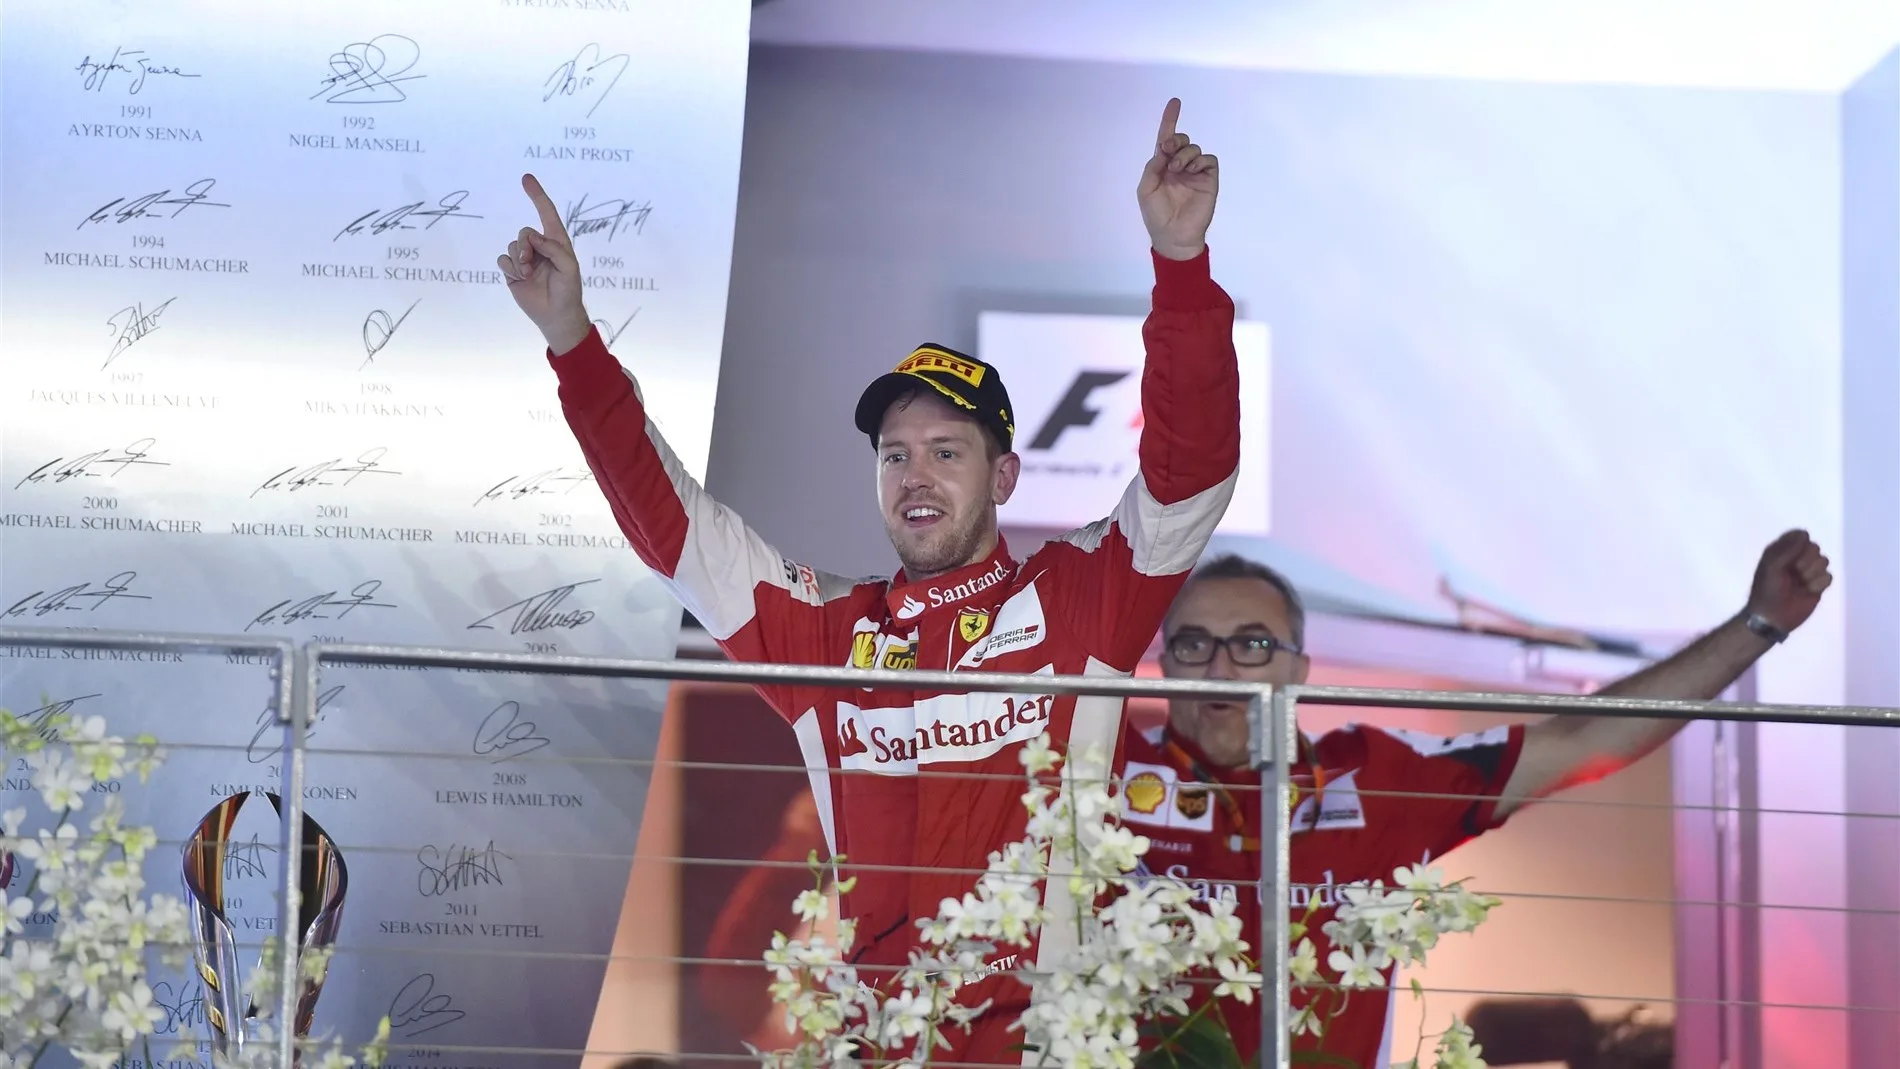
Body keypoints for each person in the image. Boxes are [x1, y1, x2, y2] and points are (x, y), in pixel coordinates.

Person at [498, 98, 1241, 1062]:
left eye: (946, 451)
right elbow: (673, 529)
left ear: (1004, 476)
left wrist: (1180, 267)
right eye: (894, 455)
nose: (915, 476)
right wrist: (572, 342)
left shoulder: (1078, 602)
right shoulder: (824, 632)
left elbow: (1189, 475)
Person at [1120, 531, 1832, 1067]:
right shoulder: (1097, 772)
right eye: (1193, 643)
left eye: (1252, 643)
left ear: (1299, 669)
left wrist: (1759, 623)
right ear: (1162, 661)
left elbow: (1585, 737)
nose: (1220, 666)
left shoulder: (1373, 775)